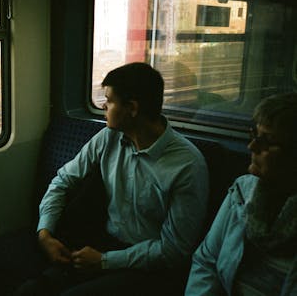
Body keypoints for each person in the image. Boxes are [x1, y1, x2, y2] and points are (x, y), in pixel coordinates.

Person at [16, 62, 209, 296]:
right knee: (31, 290)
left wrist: (106, 261)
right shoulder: (108, 138)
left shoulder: (187, 165)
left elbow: (173, 250)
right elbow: (63, 181)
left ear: (132, 108)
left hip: (149, 267)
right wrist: (45, 233)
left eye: (109, 100)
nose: (103, 106)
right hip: (105, 244)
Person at [185, 92, 297, 295]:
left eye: (267, 141)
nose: (252, 146)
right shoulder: (243, 192)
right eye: (254, 135)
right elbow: (207, 261)